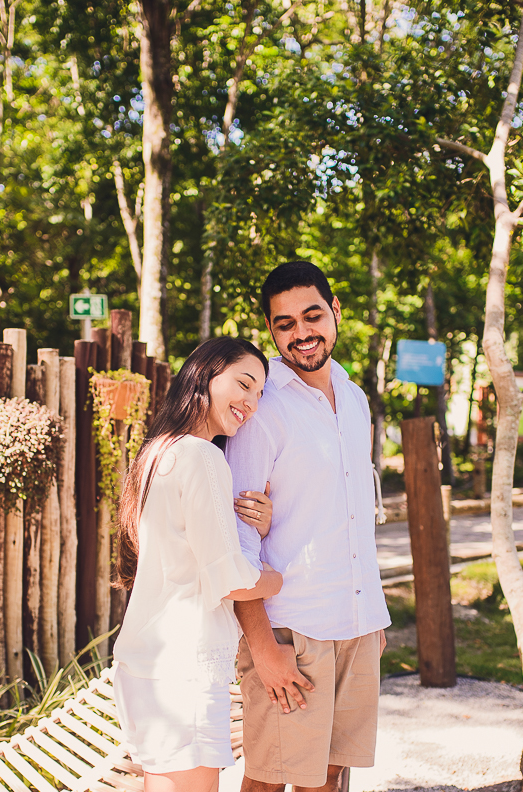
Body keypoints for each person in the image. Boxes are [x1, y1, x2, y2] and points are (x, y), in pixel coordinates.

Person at [225, 261, 390, 792]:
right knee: (271, 779)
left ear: (336, 311)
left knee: (331, 777)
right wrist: (263, 649)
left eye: (311, 316)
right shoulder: (264, 407)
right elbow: (238, 538)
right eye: (285, 323)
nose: (302, 333)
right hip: (290, 630)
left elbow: (351, 513)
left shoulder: (357, 399)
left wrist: (373, 616)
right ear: (271, 331)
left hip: (357, 622)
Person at [112, 336, 284, 792]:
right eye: (243, 383)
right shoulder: (203, 455)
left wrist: (255, 529)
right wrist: (277, 579)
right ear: (205, 374)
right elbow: (231, 581)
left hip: (146, 664)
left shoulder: (157, 453)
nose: (250, 402)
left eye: (259, 393)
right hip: (184, 668)